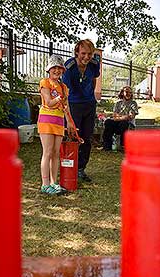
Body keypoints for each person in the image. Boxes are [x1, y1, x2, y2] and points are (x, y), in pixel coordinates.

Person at [62, 39, 100, 182]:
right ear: (76, 53)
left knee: (87, 137)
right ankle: (68, 167)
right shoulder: (69, 67)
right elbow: (65, 93)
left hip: (89, 104)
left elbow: (94, 79)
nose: (86, 57)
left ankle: (80, 169)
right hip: (73, 104)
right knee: (72, 136)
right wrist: (68, 118)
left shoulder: (94, 64)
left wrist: (90, 94)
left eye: (89, 54)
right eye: (83, 53)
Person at [37, 54, 74, 195]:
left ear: (63, 70)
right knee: (47, 152)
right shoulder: (45, 82)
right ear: (49, 69)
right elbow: (48, 102)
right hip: (46, 121)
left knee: (55, 153)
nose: (57, 71)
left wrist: (69, 121)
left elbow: (67, 107)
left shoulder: (64, 87)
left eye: (60, 68)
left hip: (59, 122)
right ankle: (45, 184)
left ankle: (54, 183)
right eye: (54, 68)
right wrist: (59, 98)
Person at [101, 86, 138, 151]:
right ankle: (107, 146)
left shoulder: (133, 103)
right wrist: (124, 116)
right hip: (118, 124)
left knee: (124, 123)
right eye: (126, 92)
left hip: (128, 125)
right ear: (122, 93)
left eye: (130, 92)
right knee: (108, 122)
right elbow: (115, 116)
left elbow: (131, 116)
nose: (128, 93)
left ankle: (123, 146)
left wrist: (119, 117)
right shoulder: (118, 103)